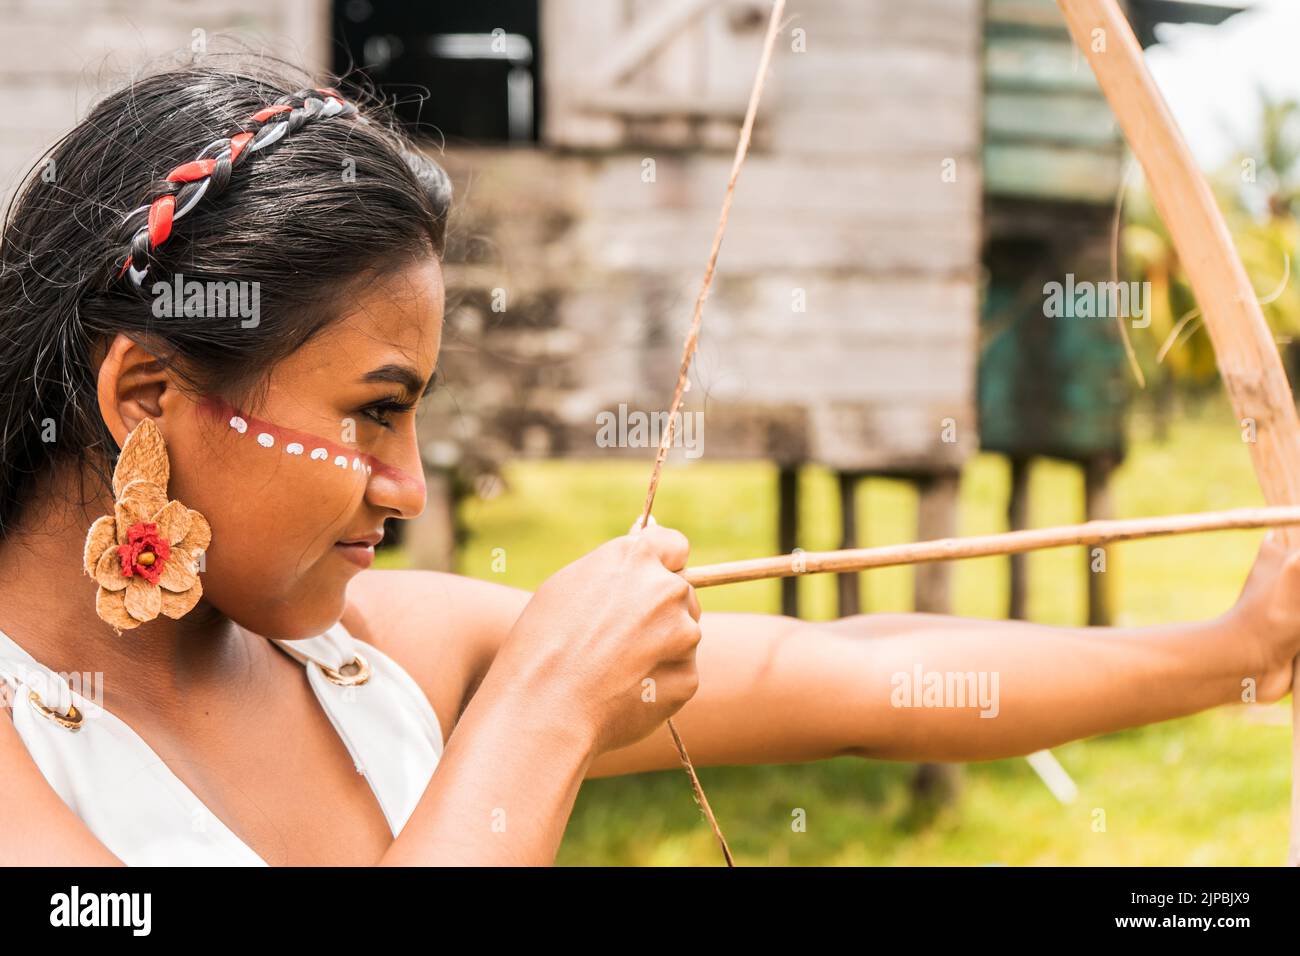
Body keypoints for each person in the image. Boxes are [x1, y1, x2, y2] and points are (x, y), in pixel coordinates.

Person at [1, 56, 1297, 867]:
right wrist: (543, 706)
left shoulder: (372, 654)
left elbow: (858, 675)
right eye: (373, 412)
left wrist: (1239, 650)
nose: (404, 486)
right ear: (151, 396)